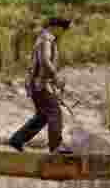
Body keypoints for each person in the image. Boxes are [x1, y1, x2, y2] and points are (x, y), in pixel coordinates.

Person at [9, 17, 73, 154]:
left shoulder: (44, 39)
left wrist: (54, 81)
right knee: (54, 112)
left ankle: (17, 139)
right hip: (39, 84)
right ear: (56, 27)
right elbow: (44, 60)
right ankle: (56, 147)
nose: (62, 33)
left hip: (37, 83)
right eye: (63, 30)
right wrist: (56, 76)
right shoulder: (46, 40)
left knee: (43, 115)